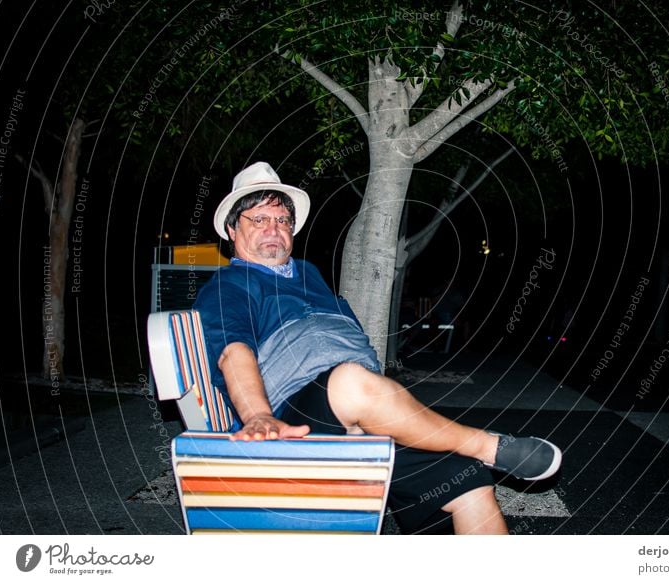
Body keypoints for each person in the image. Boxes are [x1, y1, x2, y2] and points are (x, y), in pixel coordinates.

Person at [194, 161, 562, 534]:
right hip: (298, 414)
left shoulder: (309, 274)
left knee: (468, 480)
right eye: (258, 220)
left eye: (283, 220)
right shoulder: (229, 285)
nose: (274, 229)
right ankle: (489, 446)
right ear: (231, 229)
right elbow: (232, 351)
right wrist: (258, 415)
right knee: (353, 383)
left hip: (357, 410)